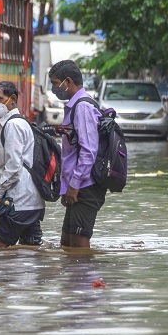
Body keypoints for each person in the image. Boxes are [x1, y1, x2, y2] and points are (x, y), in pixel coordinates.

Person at [50, 59, 106, 248]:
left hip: (85, 185)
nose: (53, 89)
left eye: (56, 84)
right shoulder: (77, 106)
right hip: (78, 183)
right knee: (67, 244)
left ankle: (85, 279)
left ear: (68, 81)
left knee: (79, 246)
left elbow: (89, 151)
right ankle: (73, 278)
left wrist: (73, 186)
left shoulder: (82, 106)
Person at [0, 81, 45, 248]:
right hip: (33, 203)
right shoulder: (20, 122)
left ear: (12, 99)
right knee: (31, 249)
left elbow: (13, 168)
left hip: (19, 202)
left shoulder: (12, 125)